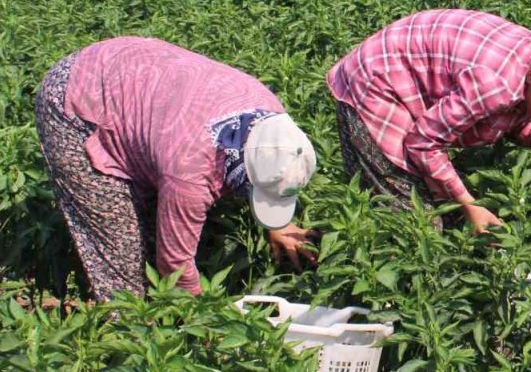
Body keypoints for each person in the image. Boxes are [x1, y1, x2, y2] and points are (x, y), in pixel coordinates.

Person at [34, 37, 319, 300]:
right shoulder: (190, 172)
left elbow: (265, 160)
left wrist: (278, 223)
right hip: (81, 99)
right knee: (123, 250)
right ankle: (127, 333)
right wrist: (205, 321)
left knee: (159, 209)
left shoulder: (273, 119)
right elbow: (175, 265)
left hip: (137, 70)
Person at [327, 10, 531, 233]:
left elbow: (512, 121)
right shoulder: (495, 84)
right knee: (415, 221)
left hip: (413, 71)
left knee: (440, 206)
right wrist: (469, 205)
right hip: (379, 79)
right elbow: (423, 143)